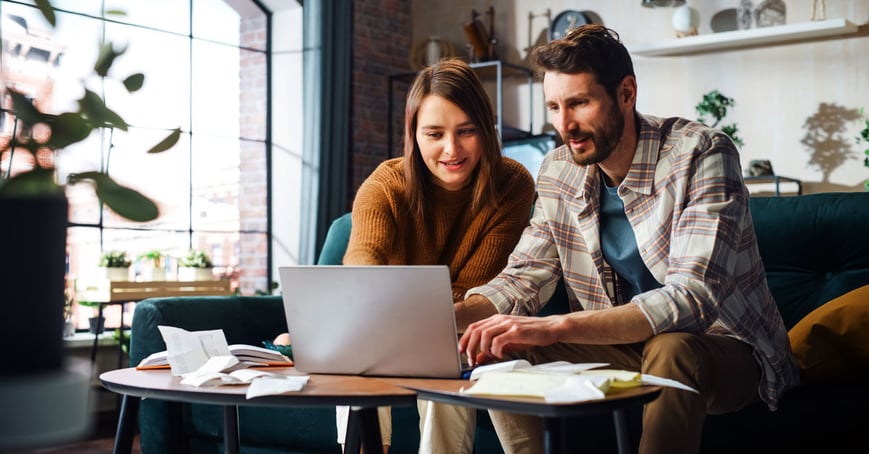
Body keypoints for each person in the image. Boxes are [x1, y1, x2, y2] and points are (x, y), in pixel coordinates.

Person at [454, 25, 800, 454]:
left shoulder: (701, 152)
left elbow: (691, 299)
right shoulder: (558, 171)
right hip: (621, 346)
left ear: (626, 93)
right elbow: (523, 279)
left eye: (579, 103)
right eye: (555, 107)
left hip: (725, 348)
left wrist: (553, 326)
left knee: (671, 349)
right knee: (496, 348)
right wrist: (445, 320)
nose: (565, 125)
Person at [276, 57, 535, 454]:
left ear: (486, 130)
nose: (452, 149)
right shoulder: (386, 184)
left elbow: (480, 294)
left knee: (440, 368)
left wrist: (404, 317)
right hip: (382, 329)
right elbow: (361, 275)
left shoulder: (512, 184)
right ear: (413, 134)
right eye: (434, 134)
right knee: (360, 355)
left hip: (462, 328)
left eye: (466, 131)